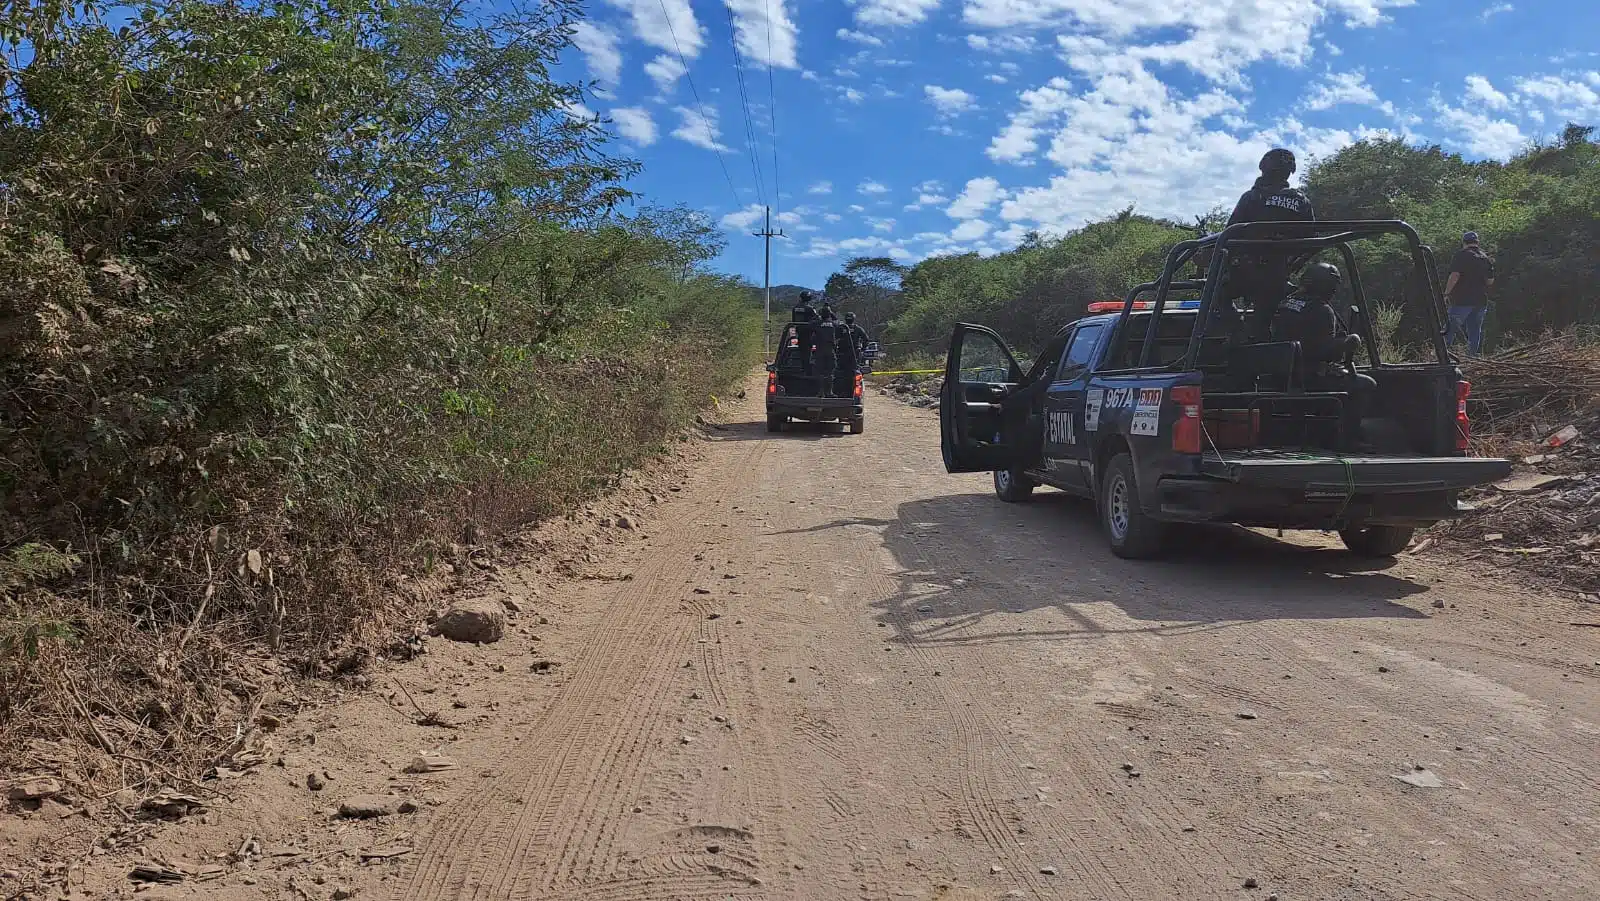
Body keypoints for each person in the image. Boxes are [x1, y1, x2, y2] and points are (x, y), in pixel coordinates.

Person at [1226, 148, 1317, 341]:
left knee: (1214, 294)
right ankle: (1264, 354)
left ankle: (1238, 330)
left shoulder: (1251, 197)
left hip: (1245, 272)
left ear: (1264, 168)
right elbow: (1311, 241)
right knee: (1262, 324)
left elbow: (1230, 234)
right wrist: (1292, 266)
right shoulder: (1301, 201)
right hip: (1277, 276)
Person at [1444, 231, 1495, 355]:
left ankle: (1442, 356)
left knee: (1450, 328)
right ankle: (1472, 358)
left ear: (1464, 242)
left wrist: (1446, 293)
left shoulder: (1461, 255)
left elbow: (1455, 275)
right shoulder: (1484, 258)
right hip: (1480, 301)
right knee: (1474, 331)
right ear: (1477, 242)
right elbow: (1490, 281)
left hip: (1462, 300)